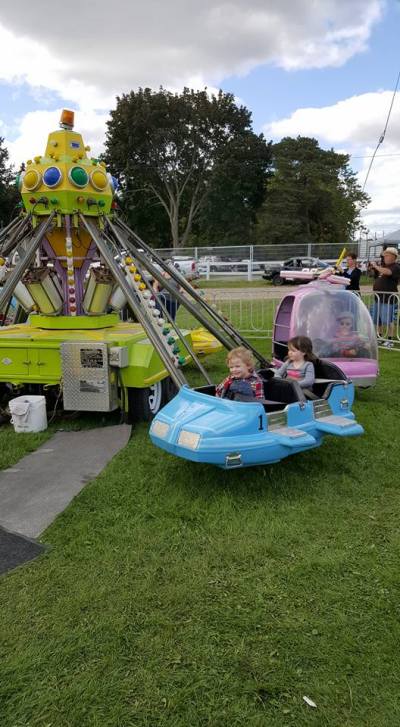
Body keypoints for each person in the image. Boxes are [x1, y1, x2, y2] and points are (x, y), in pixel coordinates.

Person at [369, 247, 400, 347]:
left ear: (393, 256)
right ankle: (380, 337)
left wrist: (376, 266)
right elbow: (373, 276)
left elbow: (388, 272)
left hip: (388, 298)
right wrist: (372, 269)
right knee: (377, 319)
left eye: (387, 255)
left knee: (388, 320)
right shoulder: (383, 266)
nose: (385, 257)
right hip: (378, 297)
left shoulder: (395, 266)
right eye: (385, 255)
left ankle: (390, 340)